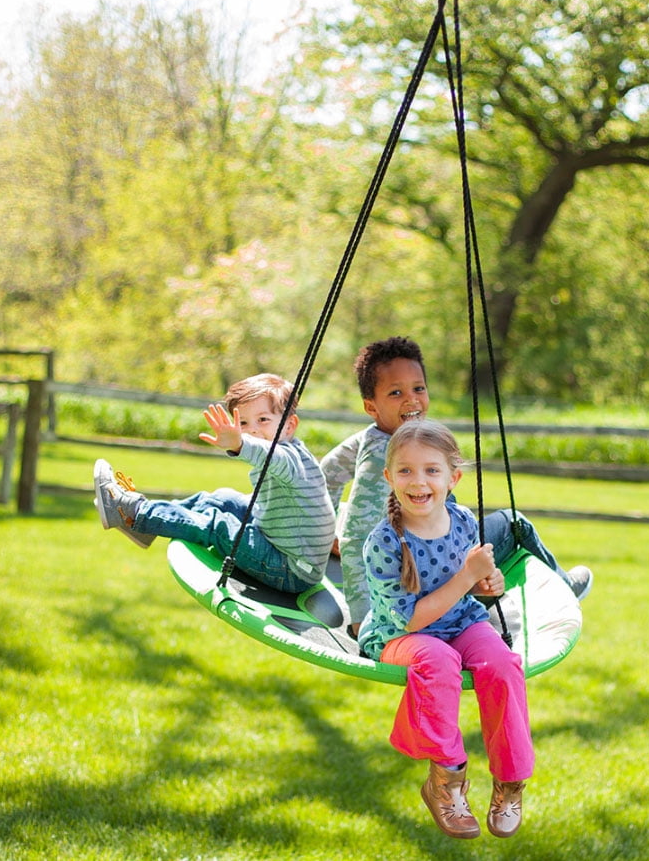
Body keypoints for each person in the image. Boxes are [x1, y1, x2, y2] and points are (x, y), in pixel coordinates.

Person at [321, 336, 593, 632]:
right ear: (371, 407)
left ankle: (483, 593)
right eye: (396, 392)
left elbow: (328, 474)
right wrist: (360, 616)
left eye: (418, 388)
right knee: (514, 523)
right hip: (426, 573)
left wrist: (325, 534)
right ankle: (565, 586)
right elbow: (355, 534)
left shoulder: (373, 437)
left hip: (429, 558)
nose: (412, 399)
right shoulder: (381, 456)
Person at [359, 419, 532, 839]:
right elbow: (409, 620)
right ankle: (446, 780)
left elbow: (466, 583)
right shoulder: (383, 543)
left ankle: (510, 782)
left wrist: (485, 583)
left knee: (502, 664)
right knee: (438, 659)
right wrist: (465, 578)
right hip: (400, 637)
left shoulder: (461, 519)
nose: (418, 482)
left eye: (432, 470)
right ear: (389, 477)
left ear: (453, 478)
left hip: (460, 622)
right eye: (406, 470)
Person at [93, 373, 336, 594]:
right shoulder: (286, 452)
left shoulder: (292, 460)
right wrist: (243, 442)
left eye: (263, 419)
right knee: (223, 498)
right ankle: (147, 525)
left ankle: (134, 513)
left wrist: (240, 444)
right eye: (243, 423)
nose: (252, 430)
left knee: (220, 525)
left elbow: (271, 455)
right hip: (279, 539)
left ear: (290, 425)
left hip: (292, 569)